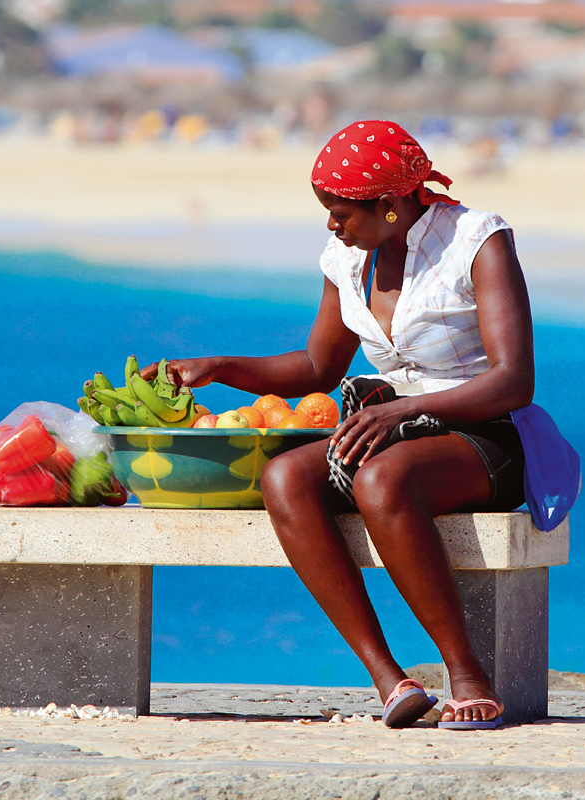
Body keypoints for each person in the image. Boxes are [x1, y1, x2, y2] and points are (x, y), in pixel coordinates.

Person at [145, 120, 534, 730]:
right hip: (388, 432)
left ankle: (466, 673)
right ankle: (390, 680)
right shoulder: (346, 259)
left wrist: (402, 409)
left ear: (389, 205)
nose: (332, 224)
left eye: (340, 212)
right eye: (327, 211)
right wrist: (220, 367)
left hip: (483, 436)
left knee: (380, 483)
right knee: (284, 479)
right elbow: (316, 366)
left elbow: (514, 381)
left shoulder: (478, 241)